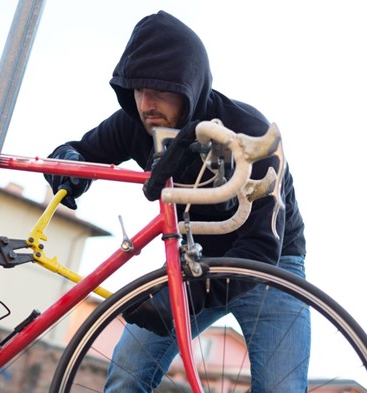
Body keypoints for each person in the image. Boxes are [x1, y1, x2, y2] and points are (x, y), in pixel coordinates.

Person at [44, 10, 308, 393]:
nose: (146, 103)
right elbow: (79, 150)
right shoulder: (136, 121)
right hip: (192, 260)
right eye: (137, 89)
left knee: (281, 388)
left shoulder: (248, 131)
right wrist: (68, 165)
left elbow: (262, 248)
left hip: (269, 264)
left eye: (159, 90)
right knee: (127, 374)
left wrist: (184, 298)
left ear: (189, 86)